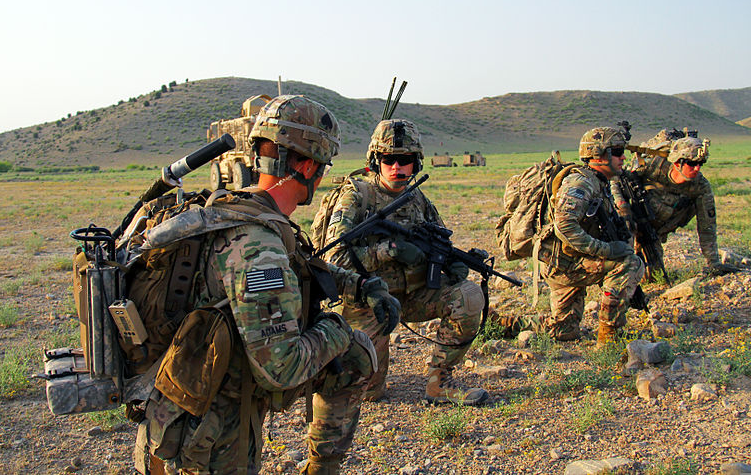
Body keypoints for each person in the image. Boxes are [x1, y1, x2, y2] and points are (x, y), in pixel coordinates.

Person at [133, 95, 400, 475]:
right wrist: (338, 328)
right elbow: (282, 369)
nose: (322, 176)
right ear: (307, 166)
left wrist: (361, 286)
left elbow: (303, 267)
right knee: (352, 347)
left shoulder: (235, 208)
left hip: (181, 396)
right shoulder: (258, 247)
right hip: (206, 435)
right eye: (323, 166)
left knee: (354, 357)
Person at [312, 119, 488, 406]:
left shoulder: (419, 200)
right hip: (370, 302)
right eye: (389, 159)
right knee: (369, 393)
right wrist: (387, 250)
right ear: (375, 161)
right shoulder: (357, 196)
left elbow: (439, 244)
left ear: (415, 164)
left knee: (468, 296)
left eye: (405, 160)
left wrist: (453, 262)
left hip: (412, 296)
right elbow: (333, 259)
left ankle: (439, 382)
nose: (397, 167)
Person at [494, 127, 645, 346]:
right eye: (617, 151)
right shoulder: (581, 183)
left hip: (564, 261)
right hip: (566, 264)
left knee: (564, 330)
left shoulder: (598, 182)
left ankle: (506, 324)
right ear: (599, 154)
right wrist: (607, 251)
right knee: (631, 263)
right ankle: (609, 337)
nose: (624, 157)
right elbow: (565, 226)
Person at [627, 135, 739, 277]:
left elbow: (707, 226)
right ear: (677, 162)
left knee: (652, 275)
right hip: (633, 221)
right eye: (691, 164)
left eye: (701, 163)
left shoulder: (700, 187)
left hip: (655, 229)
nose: (697, 168)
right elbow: (619, 184)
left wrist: (714, 263)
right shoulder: (652, 167)